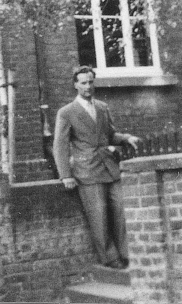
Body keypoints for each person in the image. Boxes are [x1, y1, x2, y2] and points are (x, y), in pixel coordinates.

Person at [53, 65, 140, 269]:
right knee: (98, 215)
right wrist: (65, 175)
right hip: (87, 171)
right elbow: (59, 145)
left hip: (109, 167)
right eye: (83, 82)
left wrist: (127, 138)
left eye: (91, 82)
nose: (88, 86)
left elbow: (110, 135)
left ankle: (128, 253)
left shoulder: (102, 107)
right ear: (76, 85)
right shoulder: (66, 112)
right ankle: (110, 258)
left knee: (121, 209)